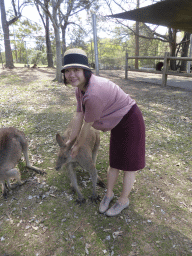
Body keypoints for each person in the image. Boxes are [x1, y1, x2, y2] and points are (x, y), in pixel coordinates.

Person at [61, 48, 145, 217]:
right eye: (67, 71)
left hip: (130, 121)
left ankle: (123, 200)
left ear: (85, 70)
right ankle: (109, 195)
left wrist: (77, 146)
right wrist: (70, 142)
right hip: (117, 124)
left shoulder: (93, 93)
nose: (71, 75)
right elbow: (78, 114)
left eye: (76, 70)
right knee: (114, 162)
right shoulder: (80, 88)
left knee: (128, 166)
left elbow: (87, 124)